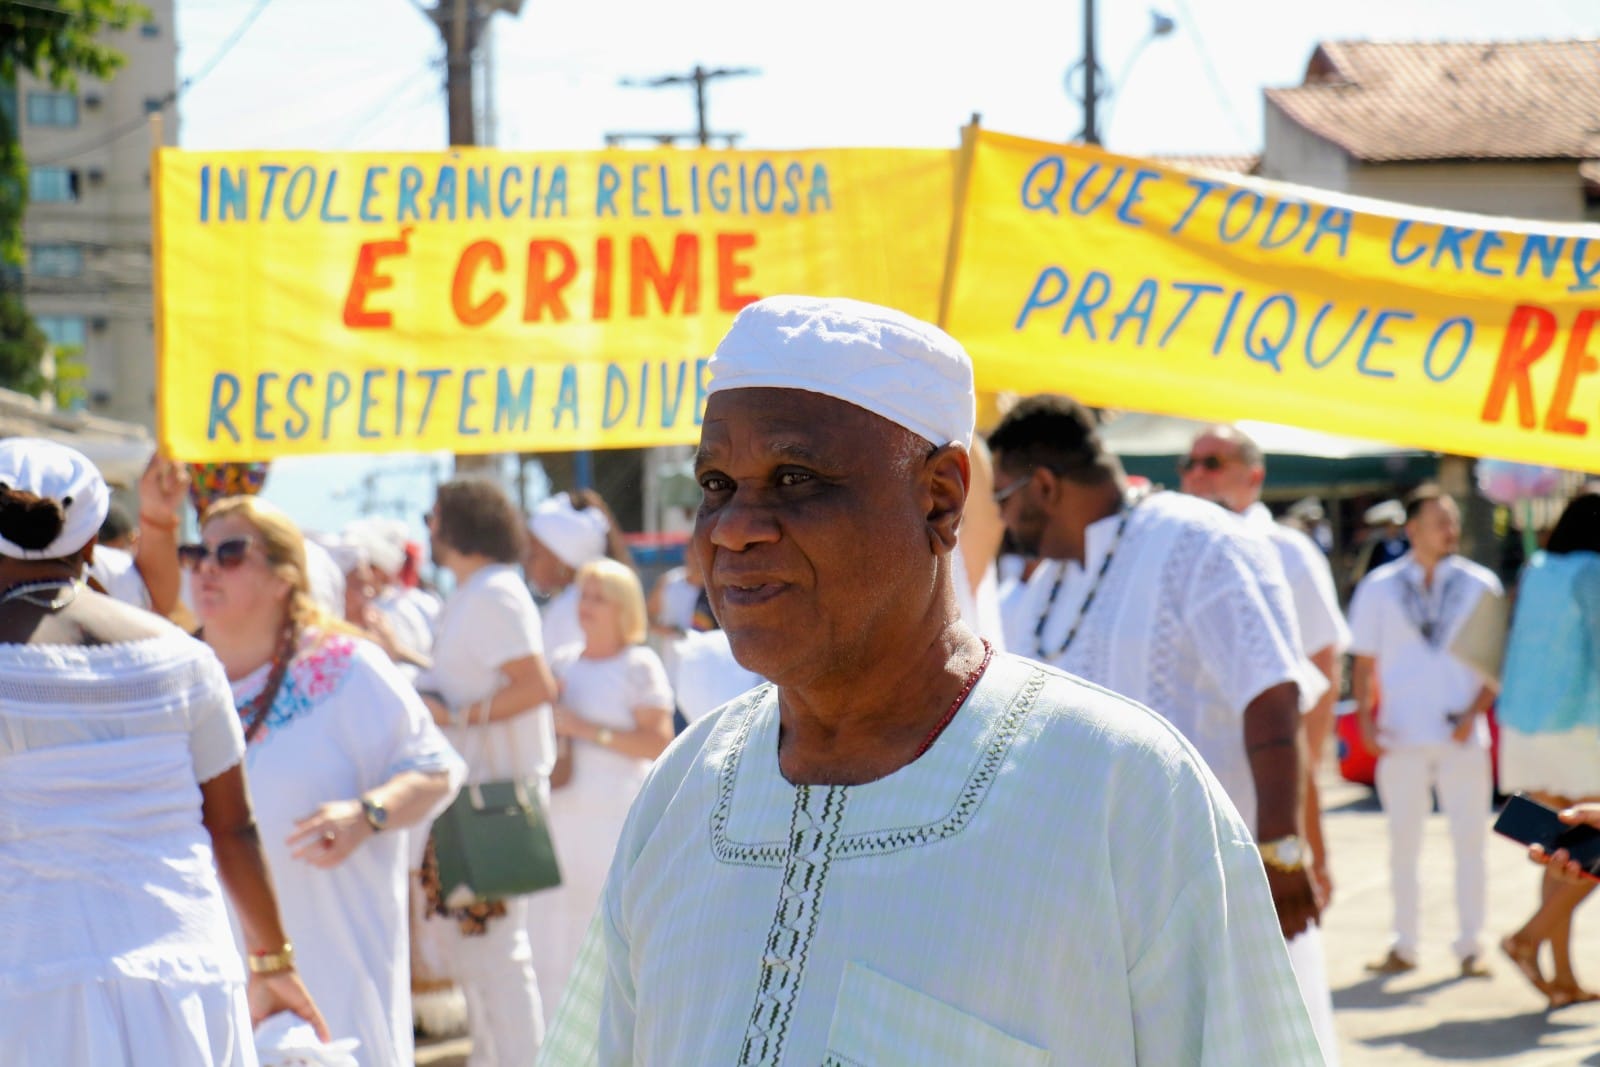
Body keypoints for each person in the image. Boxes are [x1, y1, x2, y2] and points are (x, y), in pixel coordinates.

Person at [538, 296, 1320, 1065]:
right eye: (716, 485)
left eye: (796, 478)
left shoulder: (1124, 791)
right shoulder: (684, 792)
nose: (736, 527)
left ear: (941, 495)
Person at [989, 397, 1333, 1062]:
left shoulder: (1199, 541)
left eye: (1003, 495)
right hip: (1088, 902)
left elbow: (1272, 692)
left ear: (1045, 485)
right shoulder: (1039, 585)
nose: (1002, 518)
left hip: (1207, 885)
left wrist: (1284, 849)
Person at [0, 438, 326, 1063]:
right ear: (92, 545)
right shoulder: (182, 658)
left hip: (29, 980)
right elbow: (233, 828)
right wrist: (273, 961)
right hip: (184, 979)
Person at [190, 495, 465, 1066]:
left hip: (335, 969)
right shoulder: (175, 679)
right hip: (212, 980)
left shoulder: (347, 668)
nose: (207, 566)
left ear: (284, 577)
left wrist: (369, 813)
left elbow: (437, 769)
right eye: (198, 551)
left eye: (231, 552)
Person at [416, 477, 559, 1065]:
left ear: (456, 524)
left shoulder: (495, 593)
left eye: (433, 514)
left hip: (496, 798)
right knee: (478, 951)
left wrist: (455, 715)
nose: (426, 525)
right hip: (472, 796)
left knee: (500, 953)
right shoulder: (478, 592)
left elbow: (536, 686)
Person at [1180, 424, 1351, 908]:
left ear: (1253, 477)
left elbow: (1322, 660)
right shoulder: (1172, 543)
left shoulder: (1288, 550)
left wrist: (1303, 770)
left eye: (1212, 463)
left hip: (1272, 763)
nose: (1195, 475)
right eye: (1189, 464)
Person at [1349, 484, 1503, 977]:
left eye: (1454, 519)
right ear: (1412, 527)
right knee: (1403, 845)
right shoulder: (1380, 586)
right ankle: (1405, 943)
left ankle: (1470, 944)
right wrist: (1367, 723)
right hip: (1401, 735)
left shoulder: (1481, 583)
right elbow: (1363, 661)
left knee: (1470, 845)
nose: (1450, 529)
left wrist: (1473, 713)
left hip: (1462, 737)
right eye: (1440, 519)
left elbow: (1494, 663)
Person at [535, 558, 675, 1011]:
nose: (586, 606)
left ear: (622, 607)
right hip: (560, 820)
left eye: (598, 597)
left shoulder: (640, 664)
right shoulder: (561, 664)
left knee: (606, 937)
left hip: (614, 822)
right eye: (583, 595)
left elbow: (659, 742)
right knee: (553, 937)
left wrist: (586, 728)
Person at [1497, 488, 1600, 1006]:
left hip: (1526, 725)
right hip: (1582, 726)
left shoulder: (1536, 568)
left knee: (1560, 852)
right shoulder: (1593, 572)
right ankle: (1528, 937)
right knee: (1591, 852)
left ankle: (1562, 977)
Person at [526, 492, 617, 658]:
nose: (526, 562)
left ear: (562, 561)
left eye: (534, 555)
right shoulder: (575, 602)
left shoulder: (575, 608)